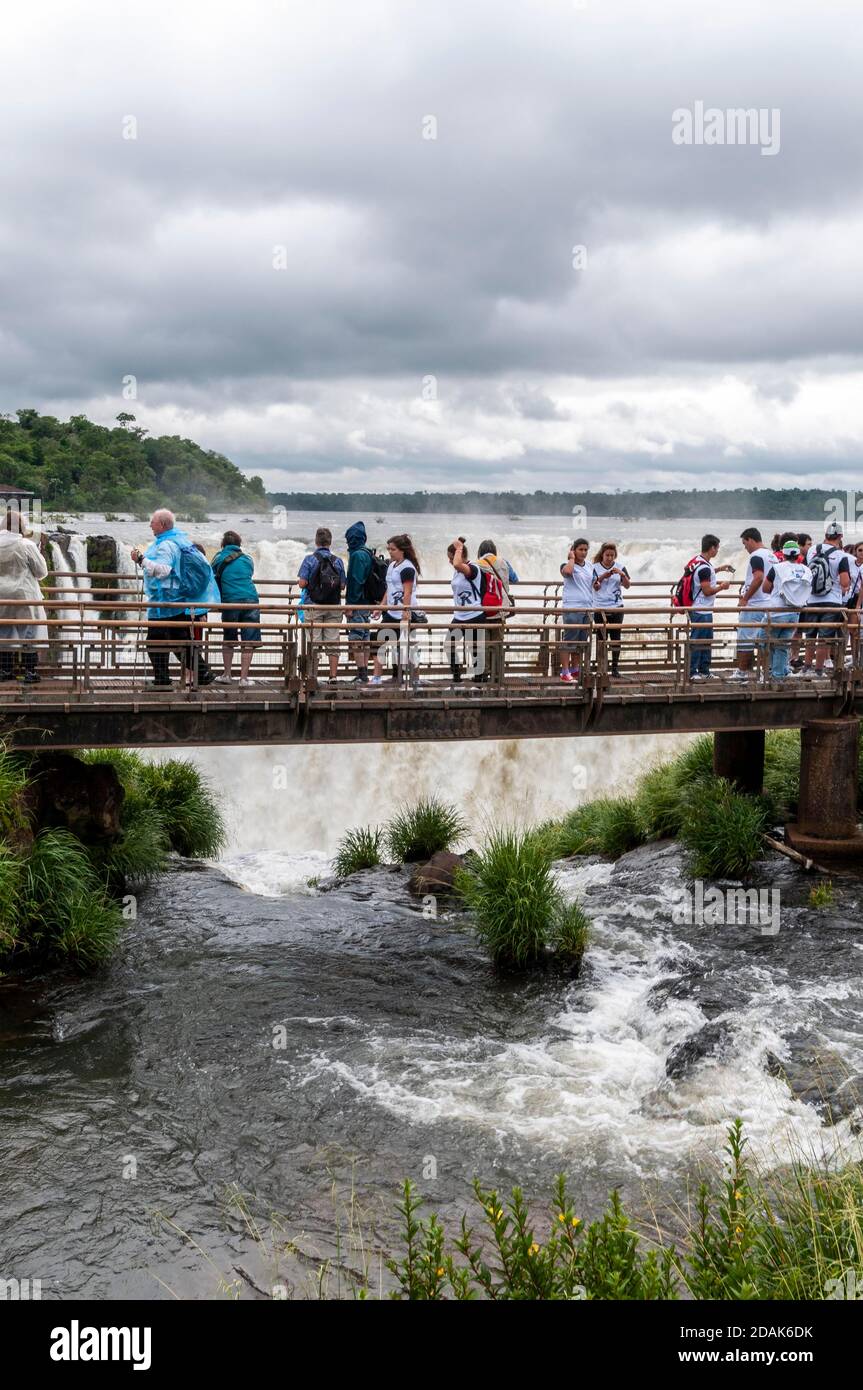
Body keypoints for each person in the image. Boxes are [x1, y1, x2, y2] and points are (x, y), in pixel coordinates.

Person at [130, 509, 217, 689]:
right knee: (178, 641)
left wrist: (141, 560)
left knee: (158, 643)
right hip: (171, 602)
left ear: (162, 525)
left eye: (152, 522)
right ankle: (200, 673)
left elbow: (163, 570)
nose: (150, 525)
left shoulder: (167, 545)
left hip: (165, 603)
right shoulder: (174, 541)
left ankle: (168, 678)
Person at [0, 508, 48, 683]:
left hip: (1, 595)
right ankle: (30, 671)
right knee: (29, 633)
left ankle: (5, 671)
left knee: (3, 631)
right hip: (24, 594)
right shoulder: (26, 545)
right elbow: (41, 572)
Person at [370, 533, 423, 687]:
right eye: (388, 549)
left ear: (402, 550)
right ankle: (377, 677)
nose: (390, 552)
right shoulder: (392, 565)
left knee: (408, 646)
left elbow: (408, 591)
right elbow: (390, 588)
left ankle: (415, 678)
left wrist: (406, 612)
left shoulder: (407, 568)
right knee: (379, 641)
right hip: (391, 613)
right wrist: (381, 607)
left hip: (403, 613)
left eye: (392, 549)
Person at [212, 530, 262, 687]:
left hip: (231, 602)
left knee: (229, 638)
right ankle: (243, 679)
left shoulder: (218, 558)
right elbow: (249, 574)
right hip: (251, 600)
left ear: (223, 544)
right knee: (248, 640)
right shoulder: (248, 559)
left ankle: (227, 675)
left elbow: (212, 576)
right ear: (239, 544)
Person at [297, 527, 346, 685]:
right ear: (330, 542)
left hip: (314, 606)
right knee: (333, 641)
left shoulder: (309, 559)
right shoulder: (338, 561)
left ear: (316, 541)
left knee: (314, 641)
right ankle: (333, 677)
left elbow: (302, 583)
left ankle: (312, 677)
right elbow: (342, 586)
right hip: (334, 606)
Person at [801, 521, 850, 675]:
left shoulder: (811, 551)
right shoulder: (841, 555)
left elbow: (805, 571)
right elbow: (844, 582)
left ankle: (806, 667)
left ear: (825, 535)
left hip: (811, 599)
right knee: (824, 637)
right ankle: (818, 670)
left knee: (810, 636)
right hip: (832, 601)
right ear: (840, 536)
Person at [760, 540, 812, 680]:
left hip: (776, 613)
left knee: (763, 641)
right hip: (794, 614)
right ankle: (779, 674)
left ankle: (770, 672)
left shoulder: (777, 568)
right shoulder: (806, 569)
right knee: (783, 645)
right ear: (798, 554)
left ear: (783, 553)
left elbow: (765, 588)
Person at [732, 528, 776, 681]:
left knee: (745, 639)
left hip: (755, 604)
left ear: (751, 540)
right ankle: (766, 671)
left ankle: (742, 672)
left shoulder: (756, 556)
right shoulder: (773, 556)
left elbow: (758, 578)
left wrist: (745, 598)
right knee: (765, 640)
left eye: (745, 543)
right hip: (770, 604)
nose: (745, 548)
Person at [687, 534, 732, 681]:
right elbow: (707, 591)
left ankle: (704, 670)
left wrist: (720, 569)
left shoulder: (699, 561)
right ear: (712, 548)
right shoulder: (705, 568)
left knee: (706, 640)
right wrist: (722, 587)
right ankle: (693, 672)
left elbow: (705, 575)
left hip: (701, 609)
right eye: (717, 548)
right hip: (701, 609)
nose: (718, 550)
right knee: (699, 641)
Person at [475, 538, 514, 685]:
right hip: (501, 608)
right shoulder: (504, 562)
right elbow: (515, 578)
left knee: (482, 643)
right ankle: (497, 674)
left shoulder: (478, 564)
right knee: (498, 642)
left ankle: (483, 674)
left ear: (480, 551)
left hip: (484, 609)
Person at [447, 537, 485, 684]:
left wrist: (459, 548)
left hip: (474, 614)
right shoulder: (457, 571)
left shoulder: (472, 568)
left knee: (474, 649)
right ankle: (457, 676)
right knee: (449, 644)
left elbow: (457, 564)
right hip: (459, 616)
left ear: (461, 555)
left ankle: (479, 679)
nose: (450, 561)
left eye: (451, 558)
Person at [591, 542, 630, 677]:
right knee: (601, 639)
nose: (609, 558)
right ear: (602, 555)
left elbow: (627, 585)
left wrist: (622, 575)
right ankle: (601, 668)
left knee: (615, 638)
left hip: (617, 607)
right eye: (607, 555)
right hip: (600, 607)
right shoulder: (595, 567)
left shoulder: (620, 567)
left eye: (612, 555)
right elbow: (595, 586)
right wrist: (603, 576)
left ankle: (614, 668)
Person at [559, 538, 593, 682]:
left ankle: (575, 669)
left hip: (587, 608)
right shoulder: (567, 565)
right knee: (569, 641)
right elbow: (567, 572)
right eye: (580, 549)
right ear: (574, 549)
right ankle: (565, 672)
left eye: (586, 550)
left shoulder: (589, 565)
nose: (583, 552)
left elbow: (593, 583)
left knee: (581, 642)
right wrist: (571, 559)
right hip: (572, 608)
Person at [344, 521, 373, 684]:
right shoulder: (367, 552)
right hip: (367, 603)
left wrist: (350, 605)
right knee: (365, 637)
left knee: (356, 638)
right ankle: (364, 672)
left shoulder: (356, 555)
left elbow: (355, 581)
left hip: (358, 603)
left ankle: (362, 674)